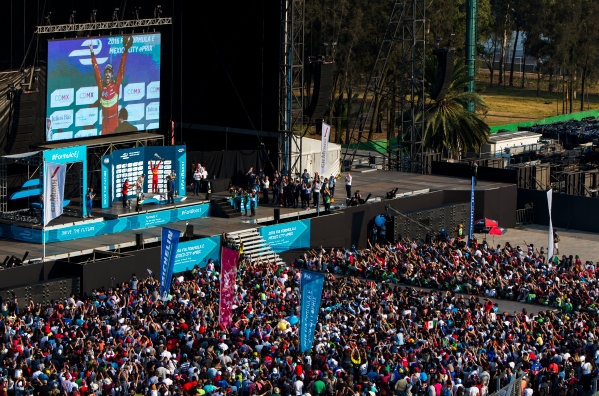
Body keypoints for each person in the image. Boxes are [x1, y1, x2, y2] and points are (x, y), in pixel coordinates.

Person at [89, 35, 133, 135]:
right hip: (104, 123)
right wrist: (92, 53)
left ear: (112, 74)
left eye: (109, 72)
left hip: (114, 122)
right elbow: (96, 70)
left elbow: (122, 67)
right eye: (106, 72)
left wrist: (125, 50)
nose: (107, 74)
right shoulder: (101, 86)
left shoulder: (116, 85)